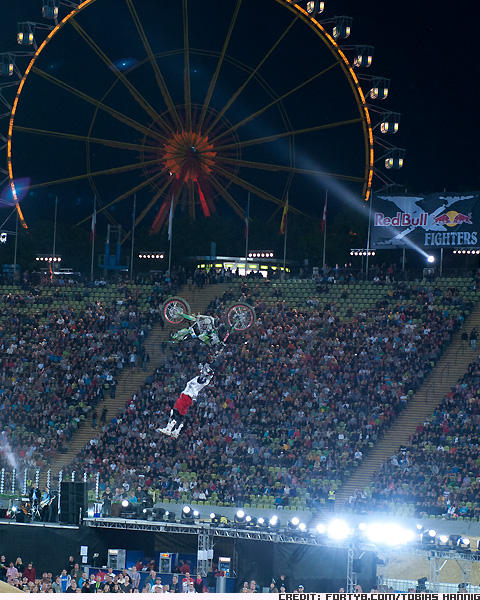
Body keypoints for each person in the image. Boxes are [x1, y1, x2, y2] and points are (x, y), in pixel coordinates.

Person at [158, 364, 214, 438]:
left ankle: (168, 428)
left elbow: (201, 378)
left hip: (186, 396)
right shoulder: (206, 381)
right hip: (189, 399)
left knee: (174, 411)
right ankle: (176, 431)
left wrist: (204, 370)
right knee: (181, 415)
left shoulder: (202, 379)